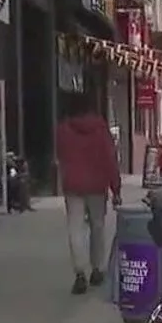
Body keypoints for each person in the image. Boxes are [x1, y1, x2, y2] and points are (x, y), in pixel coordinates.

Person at [56, 95, 122, 295]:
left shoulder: (63, 129)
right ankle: (97, 269)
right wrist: (116, 188)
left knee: (75, 229)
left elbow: (61, 155)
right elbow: (109, 159)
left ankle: (79, 273)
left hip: (73, 185)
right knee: (98, 227)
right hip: (97, 184)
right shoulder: (101, 129)